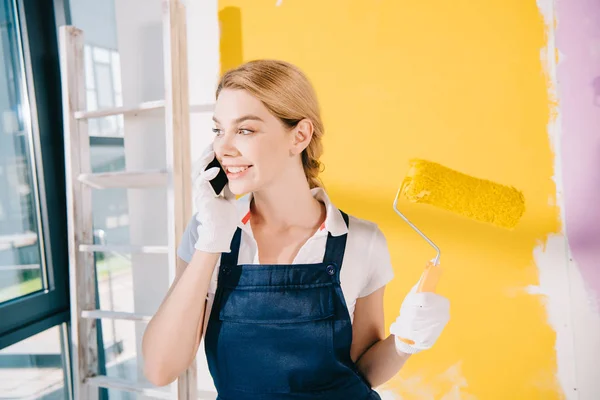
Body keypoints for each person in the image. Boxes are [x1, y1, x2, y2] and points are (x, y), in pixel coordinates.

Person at [141, 59, 450, 399]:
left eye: (244, 130)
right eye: (218, 130)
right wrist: (211, 240)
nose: (224, 148)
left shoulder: (361, 240)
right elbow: (160, 368)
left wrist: (404, 341)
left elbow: (363, 372)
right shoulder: (208, 232)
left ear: (299, 135)